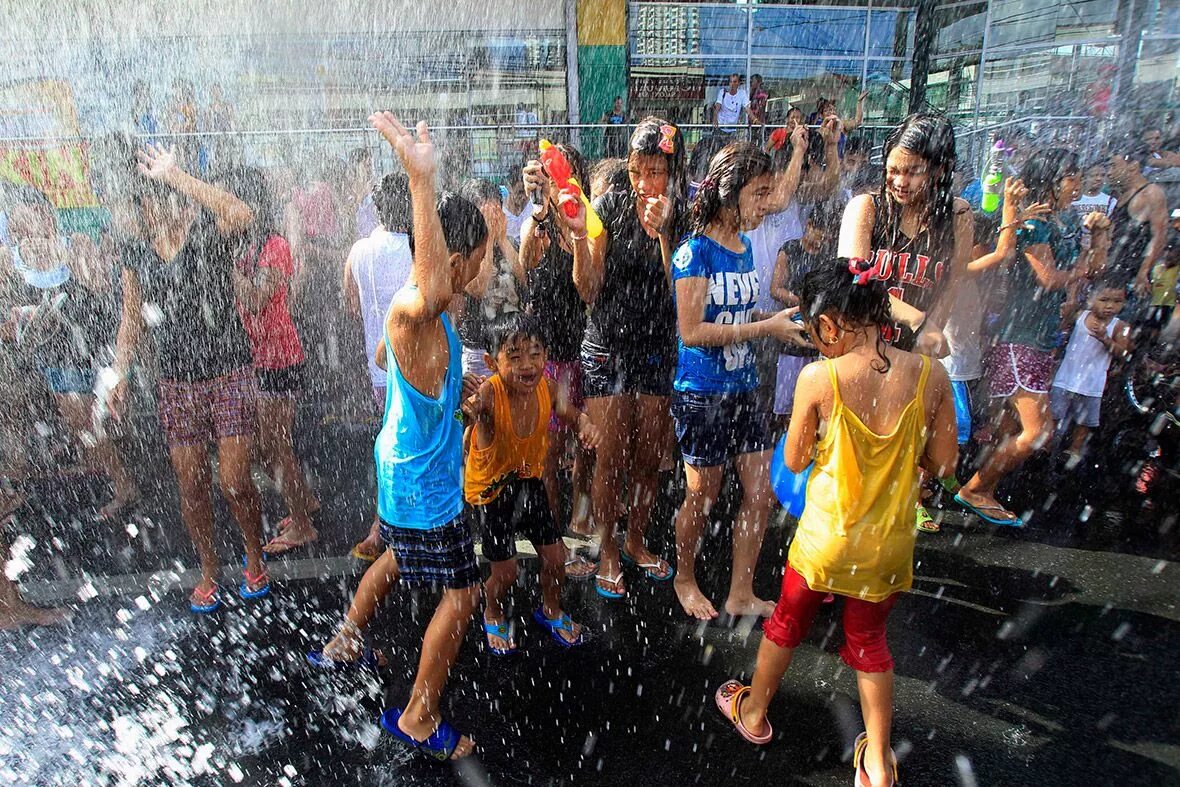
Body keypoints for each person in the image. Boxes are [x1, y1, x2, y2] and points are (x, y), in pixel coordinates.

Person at [714, 259, 957, 787]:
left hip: (824, 542)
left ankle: (754, 712)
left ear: (830, 324)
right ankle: (876, 762)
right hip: (886, 546)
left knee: (786, 623)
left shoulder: (820, 378)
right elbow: (943, 463)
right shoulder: (931, 376)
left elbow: (796, 461)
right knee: (869, 644)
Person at [313, 113, 487, 762]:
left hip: (404, 469)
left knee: (397, 559)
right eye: (487, 252)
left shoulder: (418, 322)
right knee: (462, 591)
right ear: (461, 261)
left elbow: (393, 365)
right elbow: (429, 292)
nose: (486, 265)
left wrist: (447, 396)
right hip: (422, 485)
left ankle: (349, 635)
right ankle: (418, 712)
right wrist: (420, 179)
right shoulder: (418, 305)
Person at [106, 143, 265, 612]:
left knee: (234, 481)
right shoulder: (135, 250)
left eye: (172, 196)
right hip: (176, 382)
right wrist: (119, 374)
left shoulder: (207, 234)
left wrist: (178, 176)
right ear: (143, 206)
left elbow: (242, 213)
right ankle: (209, 568)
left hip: (228, 372)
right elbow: (131, 317)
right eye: (156, 197)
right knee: (191, 483)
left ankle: (255, 556)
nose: (168, 206)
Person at [669, 143, 808, 620]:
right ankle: (684, 576)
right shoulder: (693, 253)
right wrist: (765, 329)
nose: (767, 203)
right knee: (702, 495)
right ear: (729, 195)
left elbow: (737, 313)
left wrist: (777, 318)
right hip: (701, 393)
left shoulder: (745, 246)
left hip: (744, 389)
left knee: (759, 491)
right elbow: (692, 330)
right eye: (760, 193)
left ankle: (740, 591)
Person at [559, 117, 685, 599]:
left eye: (656, 172)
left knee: (650, 456)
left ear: (672, 172)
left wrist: (664, 233)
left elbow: (682, 289)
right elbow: (588, 288)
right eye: (638, 171)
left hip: (654, 348)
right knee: (609, 458)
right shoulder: (607, 207)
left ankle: (635, 540)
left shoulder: (684, 211)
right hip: (608, 346)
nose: (645, 184)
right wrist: (576, 237)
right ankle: (607, 547)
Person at [957, 149, 1112, 526]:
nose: (1077, 184)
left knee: (1012, 427)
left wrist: (1099, 236)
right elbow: (1050, 277)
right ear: (1052, 180)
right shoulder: (1035, 223)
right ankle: (975, 488)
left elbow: (1095, 268)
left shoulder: (1063, 220)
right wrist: (1080, 268)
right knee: (1039, 431)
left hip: (1042, 338)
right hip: (1019, 337)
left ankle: (982, 486)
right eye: (1071, 176)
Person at [464, 312, 601, 654]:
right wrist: (460, 410)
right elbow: (462, 414)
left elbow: (571, 414)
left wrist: (585, 424)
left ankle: (551, 610)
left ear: (546, 354)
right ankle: (492, 610)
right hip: (491, 493)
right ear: (491, 362)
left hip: (529, 483)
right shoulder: (489, 395)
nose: (527, 364)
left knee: (556, 559)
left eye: (535, 353)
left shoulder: (548, 387)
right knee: (506, 573)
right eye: (513, 355)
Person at [5, 186, 139, 520]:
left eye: (31, 220)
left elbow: (100, 287)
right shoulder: (8, 258)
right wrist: (21, 318)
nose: (24, 232)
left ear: (46, 216)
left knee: (97, 425)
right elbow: (7, 312)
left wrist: (70, 257)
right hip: (44, 356)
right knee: (77, 424)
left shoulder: (75, 242)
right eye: (17, 225)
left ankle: (124, 485)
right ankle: (21, 494)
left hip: (90, 347)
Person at [226, 167, 320, 555]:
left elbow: (255, 299)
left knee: (275, 446)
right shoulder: (251, 245)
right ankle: (304, 502)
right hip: (260, 358)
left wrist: (227, 268)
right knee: (271, 447)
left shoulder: (274, 245)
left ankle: (303, 524)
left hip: (278, 359)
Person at [838, 113, 974, 359]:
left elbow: (952, 285)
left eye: (914, 172)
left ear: (939, 170)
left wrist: (927, 339)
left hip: (913, 356)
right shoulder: (866, 208)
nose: (900, 181)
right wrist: (918, 321)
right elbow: (853, 282)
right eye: (893, 170)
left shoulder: (958, 215)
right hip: (859, 353)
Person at [520, 144, 596, 576]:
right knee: (548, 453)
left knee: (584, 445)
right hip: (546, 356)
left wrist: (566, 215)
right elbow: (525, 264)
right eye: (545, 175)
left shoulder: (583, 220)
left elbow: (585, 285)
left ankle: (580, 517)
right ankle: (553, 541)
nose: (550, 182)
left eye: (558, 174)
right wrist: (537, 211)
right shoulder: (538, 220)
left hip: (581, 351)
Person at [342, 173, 414, 562]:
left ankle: (388, 523)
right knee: (413, 446)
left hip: (380, 371)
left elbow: (351, 304)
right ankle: (392, 525)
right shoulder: (419, 250)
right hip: (416, 371)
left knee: (390, 444)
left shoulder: (359, 250)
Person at [1050, 279, 1133, 465]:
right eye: (1104, 300)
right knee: (1054, 416)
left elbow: (1124, 353)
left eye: (1117, 301)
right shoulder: (1079, 316)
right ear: (1090, 299)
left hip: (1092, 384)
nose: (1110, 306)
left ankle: (1074, 452)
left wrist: (1106, 339)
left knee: (1084, 423)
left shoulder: (1121, 327)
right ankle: (1046, 449)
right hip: (1065, 379)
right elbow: (1062, 334)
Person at [769, 202, 838, 423]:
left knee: (815, 406)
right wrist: (803, 303)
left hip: (818, 334)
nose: (821, 239)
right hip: (792, 330)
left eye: (826, 236)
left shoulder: (829, 257)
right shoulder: (790, 249)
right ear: (808, 225)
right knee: (786, 404)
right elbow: (775, 289)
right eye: (819, 231)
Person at [456, 179, 524, 378]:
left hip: (512, 345)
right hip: (479, 349)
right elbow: (477, 287)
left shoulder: (509, 242)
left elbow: (524, 278)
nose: (492, 219)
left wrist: (501, 238)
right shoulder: (464, 250)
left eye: (496, 212)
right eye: (485, 214)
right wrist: (488, 239)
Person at [1106, 146, 1169, 305]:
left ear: (1133, 166)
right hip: (1116, 272)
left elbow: (1159, 236)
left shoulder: (1150, 193)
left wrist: (1144, 272)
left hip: (1133, 276)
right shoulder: (1121, 193)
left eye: (1114, 166)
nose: (1109, 172)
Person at [1072, 161, 1117, 252]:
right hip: (1076, 245)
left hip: (1099, 246)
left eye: (1102, 175)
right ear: (1084, 178)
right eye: (1093, 175)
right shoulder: (1073, 200)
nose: (1099, 179)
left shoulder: (1111, 201)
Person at [502, 171, 531, 244]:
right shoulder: (501, 213)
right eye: (520, 192)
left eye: (527, 192)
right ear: (509, 188)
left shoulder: (533, 208)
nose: (524, 197)